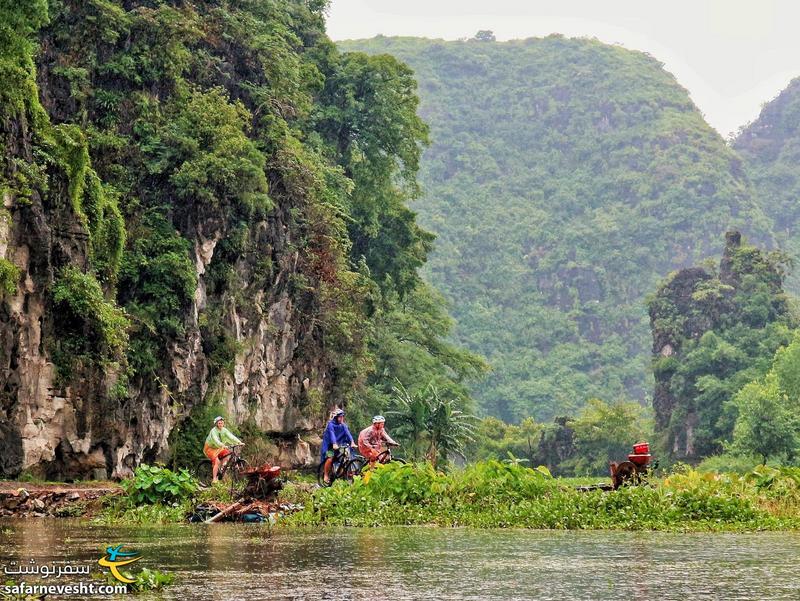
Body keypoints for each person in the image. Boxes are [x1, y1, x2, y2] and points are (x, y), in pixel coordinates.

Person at [320, 408, 356, 484]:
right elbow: (332, 434)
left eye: (343, 417)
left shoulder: (343, 425)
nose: (342, 418)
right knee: (330, 458)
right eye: (340, 417)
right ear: (336, 417)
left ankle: (343, 474)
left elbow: (348, 434)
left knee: (345, 457)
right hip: (330, 446)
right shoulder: (330, 424)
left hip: (340, 445)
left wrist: (352, 442)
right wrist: (334, 443)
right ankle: (326, 475)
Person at [204, 416, 244, 483]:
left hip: (219, 447)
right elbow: (215, 440)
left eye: (222, 423)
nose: (221, 424)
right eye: (219, 423)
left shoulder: (224, 430)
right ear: (216, 424)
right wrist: (222, 445)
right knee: (217, 462)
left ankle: (222, 468)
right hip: (210, 448)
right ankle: (214, 479)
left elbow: (231, 436)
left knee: (227, 453)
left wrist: (239, 442)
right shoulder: (213, 431)